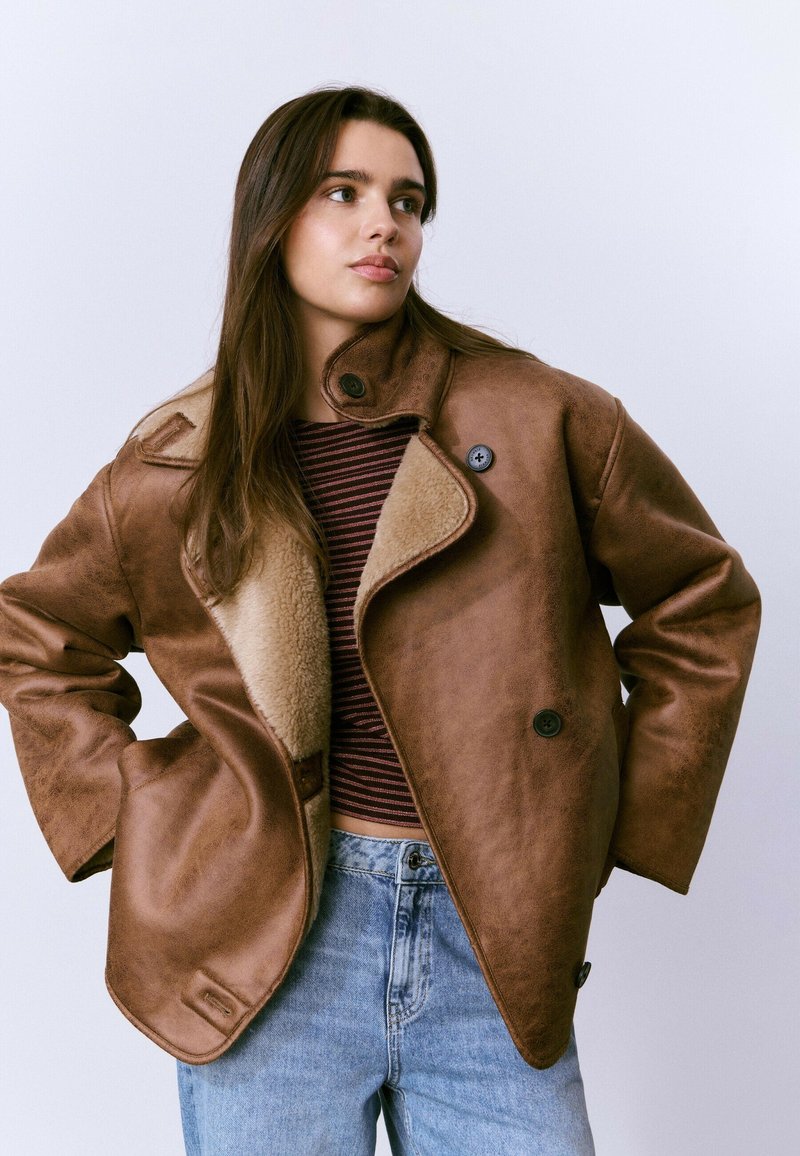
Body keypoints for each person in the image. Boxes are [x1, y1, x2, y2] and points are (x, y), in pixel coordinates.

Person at [0, 84, 760, 1155]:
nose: (383, 225)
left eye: (407, 201)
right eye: (343, 192)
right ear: (272, 219)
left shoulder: (540, 417)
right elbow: (34, 634)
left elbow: (703, 599)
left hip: (489, 940)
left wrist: (601, 816)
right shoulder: (176, 462)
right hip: (269, 943)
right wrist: (138, 820)